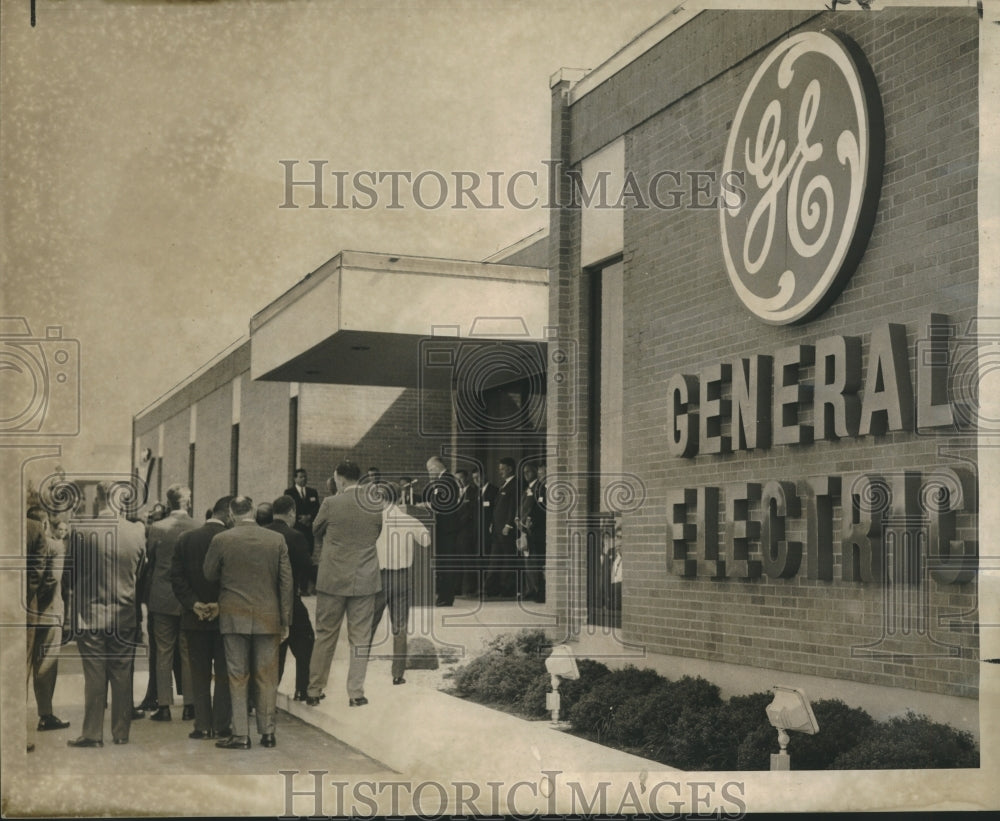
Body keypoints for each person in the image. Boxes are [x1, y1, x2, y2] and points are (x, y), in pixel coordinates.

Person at [203, 496, 293, 750]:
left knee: (237, 675)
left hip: (233, 616)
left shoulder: (221, 539)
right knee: (267, 676)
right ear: (253, 510)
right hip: (268, 615)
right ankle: (268, 733)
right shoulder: (276, 540)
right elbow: (287, 583)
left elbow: (208, 574)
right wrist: (285, 619)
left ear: (231, 514)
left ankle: (241, 734)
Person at [65, 482, 146, 747]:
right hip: (124, 613)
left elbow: (70, 574)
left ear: (98, 500)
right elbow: (140, 571)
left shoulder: (81, 531)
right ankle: (121, 733)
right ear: (121, 501)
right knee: (122, 674)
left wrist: (72, 604)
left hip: (90, 615)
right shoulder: (137, 531)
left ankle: (92, 734)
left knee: (95, 675)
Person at [306, 461, 382, 707]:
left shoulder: (330, 503)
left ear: (339, 478)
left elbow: (315, 530)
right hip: (364, 578)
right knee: (360, 637)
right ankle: (356, 693)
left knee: (325, 634)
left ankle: (315, 690)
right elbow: (376, 532)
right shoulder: (374, 503)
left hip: (333, 578)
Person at [170, 495, 233, 740]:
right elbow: (232, 580)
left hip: (193, 617)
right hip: (224, 616)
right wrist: (219, 604)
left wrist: (193, 603)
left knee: (199, 673)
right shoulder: (229, 541)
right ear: (228, 514)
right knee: (224, 673)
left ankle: (202, 725)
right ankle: (220, 725)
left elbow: (176, 577)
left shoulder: (186, 539)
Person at [145, 485, 198, 721]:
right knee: (187, 650)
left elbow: (151, 559)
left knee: (163, 652)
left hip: (162, 595)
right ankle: (190, 704)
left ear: (168, 502)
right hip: (187, 597)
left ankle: (164, 706)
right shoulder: (197, 526)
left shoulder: (157, 528)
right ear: (188, 501)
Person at [370, 481, 430, 684]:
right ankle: (397, 674)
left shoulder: (373, 521)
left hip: (378, 578)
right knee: (400, 626)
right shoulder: (408, 519)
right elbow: (426, 540)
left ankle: (359, 669)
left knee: (369, 624)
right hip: (402, 577)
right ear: (399, 498)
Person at [25, 509, 71, 734]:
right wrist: (37, 600)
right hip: (48, 612)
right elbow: (53, 578)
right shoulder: (55, 546)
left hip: (25, 614)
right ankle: (45, 714)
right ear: (44, 524)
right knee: (46, 665)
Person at [266, 495, 315, 702]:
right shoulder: (296, 536)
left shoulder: (263, 533)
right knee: (305, 641)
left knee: (273, 648)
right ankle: (301, 689)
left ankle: (262, 695)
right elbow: (306, 566)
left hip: (265, 601)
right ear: (292, 512)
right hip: (290, 600)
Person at [423, 456, 462, 607]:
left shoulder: (446, 480)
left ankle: (446, 597)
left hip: (447, 529)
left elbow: (441, 504)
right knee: (444, 564)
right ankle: (443, 596)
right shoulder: (444, 480)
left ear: (435, 468)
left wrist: (425, 505)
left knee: (447, 564)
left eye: (429, 471)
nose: (429, 474)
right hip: (445, 529)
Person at [485, 458, 518, 598]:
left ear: (510, 469)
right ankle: (491, 589)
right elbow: (497, 507)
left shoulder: (516, 484)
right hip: (497, 529)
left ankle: (507, 589)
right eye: (499, 469)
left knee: (508, 559)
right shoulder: (504, 484)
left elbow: (514, 506)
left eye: (502, 469)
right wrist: (492, 523)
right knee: (495, 559)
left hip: (506, 529)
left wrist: (509, 524)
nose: (500, 472)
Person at [516, 461, 546, 603]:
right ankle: (530, 590)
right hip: (525, 529)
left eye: (529, 471)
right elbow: (523, 505)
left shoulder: (541, 488)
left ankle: (537, 591)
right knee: (528, 561)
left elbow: (539, 508)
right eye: (524, 472)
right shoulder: (528, 488)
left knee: (535, 562)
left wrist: (530, 519)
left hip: (536, 530)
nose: (526, 474)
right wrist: (517, 518)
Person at [471, 467, 497, 596]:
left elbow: (495, 512)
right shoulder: (476, 492)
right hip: (476, 533)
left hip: (488, 532)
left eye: (478, 477)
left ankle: (488, 588)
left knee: (487, 559)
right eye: (474, 478)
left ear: (485, 476)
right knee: (478, 560)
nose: (476, 480)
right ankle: (479, 587)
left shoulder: (494, 491)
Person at [454, 470, 479, 597]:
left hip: (467, 531)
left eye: (461, 479)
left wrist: (457, 525)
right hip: (457, 533)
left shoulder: (473, 492)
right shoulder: (456, 493)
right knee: (457, 560)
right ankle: (457, 588)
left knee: (467, 560)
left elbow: (469, 513)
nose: (459, 482)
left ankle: (470, 588)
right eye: (456, 479)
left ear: (467, 479)